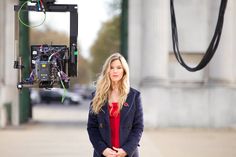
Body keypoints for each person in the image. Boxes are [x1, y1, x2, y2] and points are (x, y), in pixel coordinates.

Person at [87, 53, 144, 157]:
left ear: (124, 71)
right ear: (107, 71)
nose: (115, 71)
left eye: (119, 67)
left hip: (127, 153)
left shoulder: (134, 96)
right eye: (111, 68)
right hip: (103, 154)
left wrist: (126, 150)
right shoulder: (97, 96)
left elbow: (138, 127)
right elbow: (92, 127)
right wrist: (103, 149)